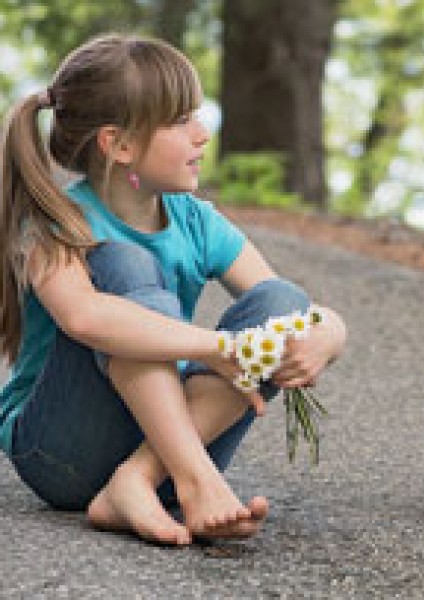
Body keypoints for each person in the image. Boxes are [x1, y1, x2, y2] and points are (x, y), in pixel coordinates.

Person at [0, 34, 346, 546]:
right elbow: (84, 319)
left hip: (163, 443)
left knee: (283, 303)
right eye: (181, 121)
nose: (202, 134)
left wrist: (329, 334)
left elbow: (288, 304)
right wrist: (219, 346)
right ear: (119, 144)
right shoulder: (56, 223)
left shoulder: (196, 221)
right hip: (61, 453)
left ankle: (138, 481)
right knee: (121, 264)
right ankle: (196, 479)